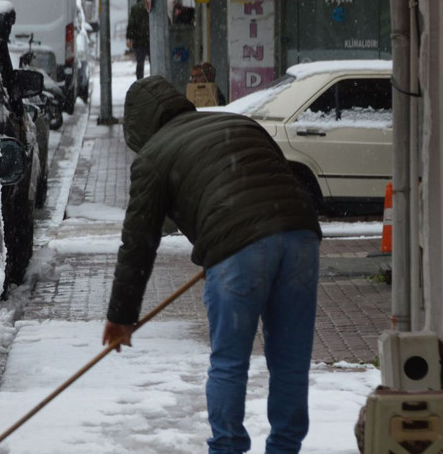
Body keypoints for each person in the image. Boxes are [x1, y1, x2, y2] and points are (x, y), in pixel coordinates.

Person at [102, 75, 322, 454]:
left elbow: (138, 241)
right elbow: (271, 180)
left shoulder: (154, 155)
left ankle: (227, 447)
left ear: (137, 127)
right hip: (300, 234)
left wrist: (122, 315)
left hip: (239, 250)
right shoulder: (238, 122)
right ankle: (285, 447)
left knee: (229, 362)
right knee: (290, 362)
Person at [126, 0, 149, 80]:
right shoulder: (149, 7)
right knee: (153, 60)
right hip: (149, 39)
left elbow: (131, 25)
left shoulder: (134, 8)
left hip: (138, 41)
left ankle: (140, 80)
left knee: (140, 62)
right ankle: (154, 78)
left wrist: (129, 38)